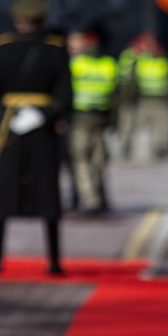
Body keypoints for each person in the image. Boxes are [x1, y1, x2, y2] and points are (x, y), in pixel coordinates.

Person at [0, 0, 72, 275]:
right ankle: (54, 261)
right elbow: (66, 96)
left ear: (17, 20)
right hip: (42, 131)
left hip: (10, 128)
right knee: (47, 192)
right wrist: (44, 116)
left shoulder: (2, 49)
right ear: (41, 20)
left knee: (4, 194)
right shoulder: (55, 50)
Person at [69, 26, 118, 215]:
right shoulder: (108, 63)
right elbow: (117, 96)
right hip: (95, 120)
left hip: (82, 119)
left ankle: (91, 199)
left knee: (86, 161)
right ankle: (92, 199)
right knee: (94, 161)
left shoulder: (76, 63)